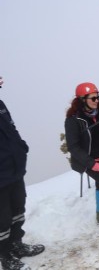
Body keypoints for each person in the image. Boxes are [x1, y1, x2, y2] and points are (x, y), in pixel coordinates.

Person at [0, 77, 45, 270]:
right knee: (2, 217)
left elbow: (12, 128)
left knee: (18, 210)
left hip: (14, 169)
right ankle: (4, 255)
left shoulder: (0, 105)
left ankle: (16, 244)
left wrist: (21, 146)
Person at [64, 82, 99, 231]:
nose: (97, 101)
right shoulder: (73, 120)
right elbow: (73, 147)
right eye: (93, 98)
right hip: (90, 161)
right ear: (82, 99)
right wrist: (91, 163)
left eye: (98, 97)